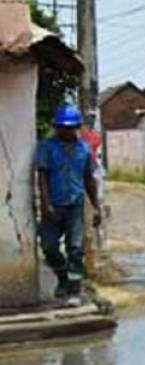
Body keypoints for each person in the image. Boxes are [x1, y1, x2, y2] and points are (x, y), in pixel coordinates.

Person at [35, 105, 102, 299]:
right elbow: (43, 176)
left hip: (75, 204)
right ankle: (62, 276)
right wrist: (45, 203)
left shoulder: (84, 149)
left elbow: (89, 179)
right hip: (53, 205)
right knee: (48, 246)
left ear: (77, 127)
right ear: (57, 127)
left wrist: (96, 207)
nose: (67, 131)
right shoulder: (47, 147)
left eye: (71, 127)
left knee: (76, 248)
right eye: (63, 127)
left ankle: (74, 287)